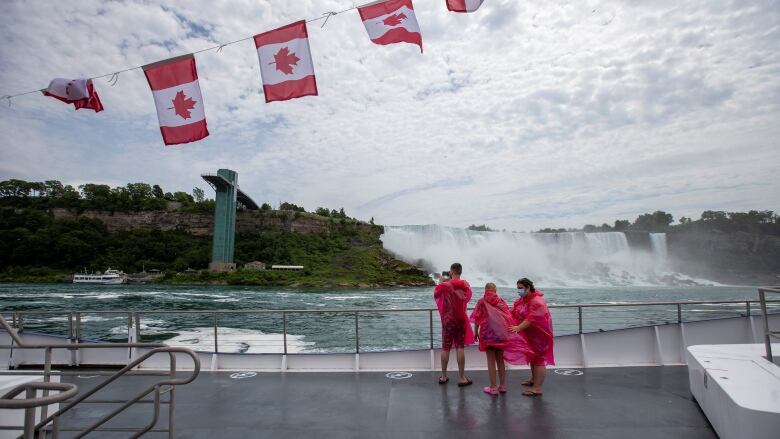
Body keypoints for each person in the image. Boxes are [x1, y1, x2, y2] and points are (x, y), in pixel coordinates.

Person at [471, 283, 534, 395]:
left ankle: (493, 388)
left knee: (491, 361)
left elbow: (477, 318)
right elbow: (508, 317)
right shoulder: (501, 301)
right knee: (500, 360)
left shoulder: (481, 301)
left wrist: (475, 332)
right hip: (501, 335)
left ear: (485, 290)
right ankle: (503, 386)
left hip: (488, 335)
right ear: (495, 290)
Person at [510, 278, 555, 397]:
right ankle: (533, 380)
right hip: (530, 335)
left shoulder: (536, 301)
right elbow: (514, 311)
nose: (519, 290)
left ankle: (537, 388)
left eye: (520, 288)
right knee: (532, 357)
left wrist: (518, 327)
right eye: (518, 288)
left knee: (539, 359)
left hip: (540, 335)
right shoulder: (522, 300)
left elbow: (531, 318)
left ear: (528, 287)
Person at [433, 262, 474, 386]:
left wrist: (441, 283)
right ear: (460, 272)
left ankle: (444, 376)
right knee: (460, 347)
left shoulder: (445, 285)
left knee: (446, 347)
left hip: (448, 320)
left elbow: (436, 295)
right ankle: (461, 378)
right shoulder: (466, 285)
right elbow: (467, 298)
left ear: (451, 271)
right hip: (460, 319)